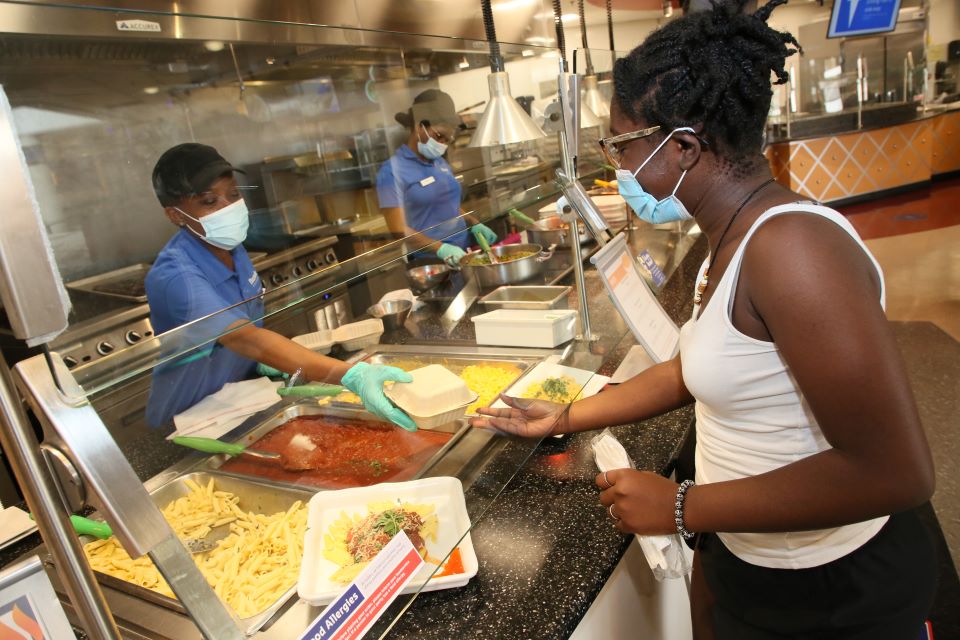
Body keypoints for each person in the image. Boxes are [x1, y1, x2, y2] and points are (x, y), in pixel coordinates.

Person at [471, 1, 938, 638]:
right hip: (755, 559)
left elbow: (896, 471)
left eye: (622, 146)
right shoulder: (729, 235)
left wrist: (686, 505)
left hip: (833, 589)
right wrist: (570, 415)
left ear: (685, 146)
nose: (620, 168)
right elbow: (701, 367)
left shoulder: (793, 251)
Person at [144, 143, 415, 431]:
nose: (229, 208)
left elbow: (246, 332)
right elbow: (246, 339)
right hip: (191, 419)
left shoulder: (232, 248)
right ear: (174, 215)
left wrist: (257, 363)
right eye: (210, 202)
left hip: (240, 399)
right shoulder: (177, 277)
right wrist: (350, 375)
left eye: (233, 194)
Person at [377, 89, 498, 266]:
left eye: (447, 139)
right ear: (420, 126)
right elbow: (398, 230)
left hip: (464, 255)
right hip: (431, 265)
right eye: (439, 136)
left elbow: (449, 206)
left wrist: (474, 223)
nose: (442, 144)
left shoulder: (439, 162)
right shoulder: (390, 172)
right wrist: (441, 249)